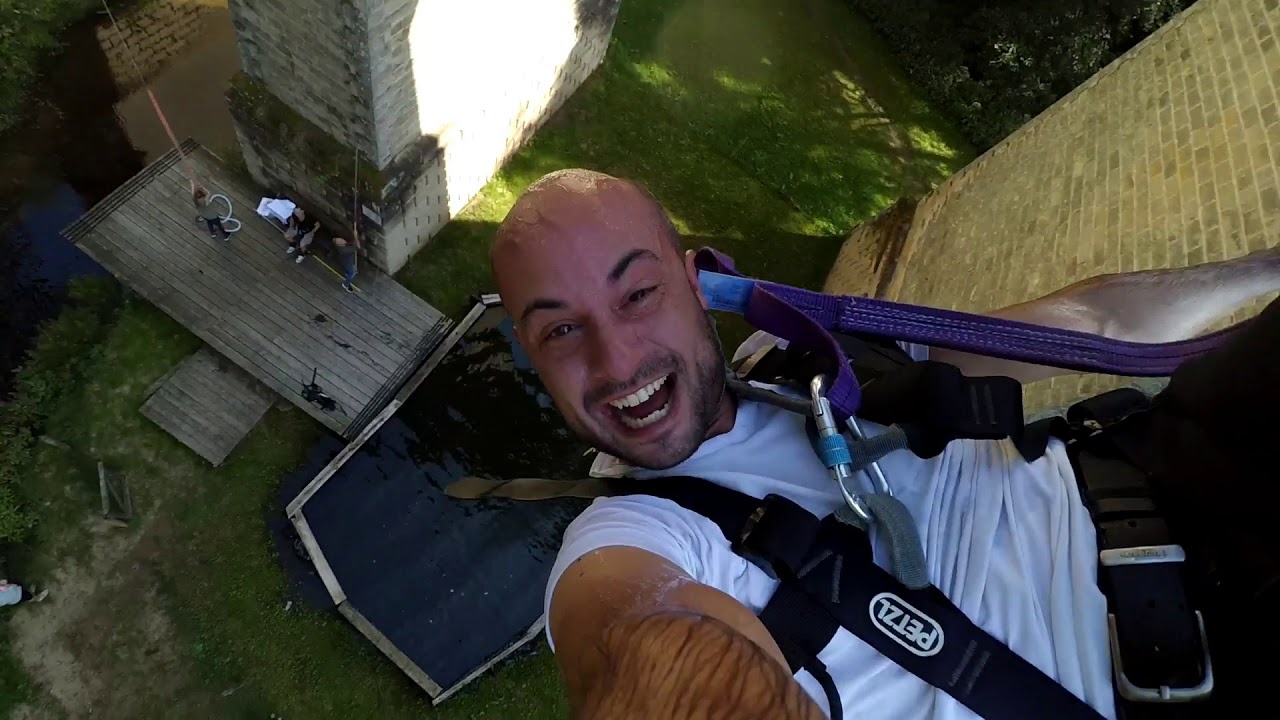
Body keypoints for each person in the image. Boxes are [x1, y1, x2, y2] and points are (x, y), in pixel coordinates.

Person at [488, 168, 1280, 719]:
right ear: (532, 354)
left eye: (638, 293)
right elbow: (642, 647)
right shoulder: (629, 539)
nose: (616, 359)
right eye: (561, 329)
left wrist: (1263, 270)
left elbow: (1091, 325)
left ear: (699, 280)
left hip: (1183, 465)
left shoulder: (809, 361)